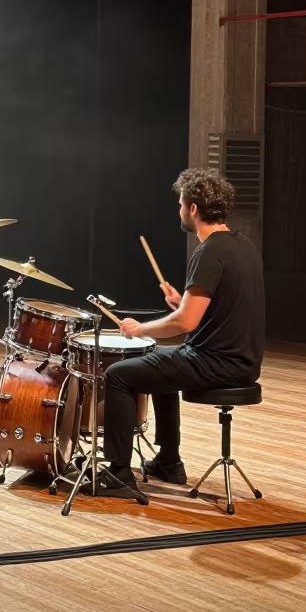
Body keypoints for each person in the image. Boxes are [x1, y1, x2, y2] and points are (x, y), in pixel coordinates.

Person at [92, 168, 264, 498]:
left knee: (118, 375)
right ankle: (169, 461)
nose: (180, 209)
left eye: (181, 204)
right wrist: (180, 302)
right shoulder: (244, 245)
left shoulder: (208, 252)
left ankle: (118, 474)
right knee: (158, 359)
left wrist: (140, 328)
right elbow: (219, 308)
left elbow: (186, 323)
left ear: (193, 209)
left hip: (215, 363)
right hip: (244, 362)